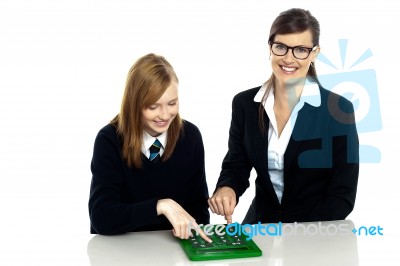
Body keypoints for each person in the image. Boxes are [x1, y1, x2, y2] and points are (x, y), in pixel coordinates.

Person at [208, 8, 359, 225]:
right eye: (281, 47)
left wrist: (299, 235)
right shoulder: (244, 104)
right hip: (260, 225)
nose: (288, 58)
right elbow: (237, 164)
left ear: (315, 53)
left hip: (315, 231)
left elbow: (342, 193)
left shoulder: (338, 110)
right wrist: (227, 188)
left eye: (300, 50)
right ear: (270, 48)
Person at [89, 53, 211, 242]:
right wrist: (160, 206)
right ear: (134, 104)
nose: (164, 115)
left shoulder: (190, 136)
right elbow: (102, 217)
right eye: (153, 107)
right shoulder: (109, 139)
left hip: (172, 249)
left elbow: (198, 212)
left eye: (172, 103)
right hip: (121, 249)